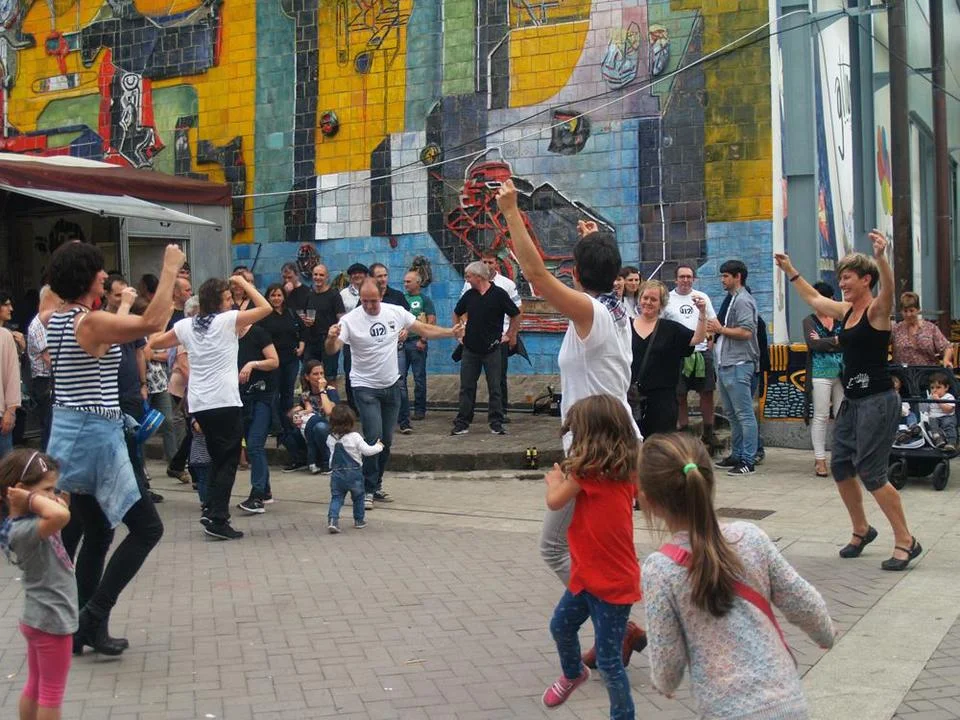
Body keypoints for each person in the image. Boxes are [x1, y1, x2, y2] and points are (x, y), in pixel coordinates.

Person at [497, 181, 645, 668]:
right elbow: (599, 276)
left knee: (554, 547)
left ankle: (620, 627)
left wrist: (512, 211)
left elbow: (538, 278)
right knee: (588, 546)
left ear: (578, 274)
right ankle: (617, 627)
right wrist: (591, 242)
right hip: (613, 443)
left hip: (598, 450)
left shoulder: (591, 313)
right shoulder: (617, 307)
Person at [637, 432, 836, 719]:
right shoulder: (750, 537)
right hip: (787, 703)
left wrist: (664, 682)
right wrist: (825, 633)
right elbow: (801, 600)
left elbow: (668, 661)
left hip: (726, 710)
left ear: (647, 500)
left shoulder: (660, 570)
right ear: (709, 482)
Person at [44, 241, 181, 655]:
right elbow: (153, 321)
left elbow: (104, 346)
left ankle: (84, 628)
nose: (105, 276)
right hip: (94, 439)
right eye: (99, 270)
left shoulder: (58, 318)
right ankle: (91, 617)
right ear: (86, 277)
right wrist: (170, 268)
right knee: (147, 529)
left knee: (100, 530)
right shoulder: (88, 322)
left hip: (72, 435)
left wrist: (121, 306)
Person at [776, 230, 923, 570]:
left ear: (865, 279)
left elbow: (889, 290)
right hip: (853, 401)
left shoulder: (876, 311)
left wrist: (882, 257)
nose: (841, 283)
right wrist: (791, 271)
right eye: (840, 278)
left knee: (872, 472)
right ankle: (861, 529)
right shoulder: (847, 311)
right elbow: (815, 300)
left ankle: (906, 540)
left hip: (878, 400)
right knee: (841, 465)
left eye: (847, 278)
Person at [540, 395, 641, 718]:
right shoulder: (621, 470)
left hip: (613, 587)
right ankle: (573, 673)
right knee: (561, 626)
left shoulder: (587, 473)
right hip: (585, 578)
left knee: (610, 663)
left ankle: (623, 716)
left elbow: (555, 502)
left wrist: (555, 481)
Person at [151, 273, 272, 540]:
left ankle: (211, 508)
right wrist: (244, 284)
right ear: (217, 302)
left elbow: (155, 342)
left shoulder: (186, 325)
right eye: (227, 298)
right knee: (228, 461)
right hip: (224, 401)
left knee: (218, 458)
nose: (231, 302)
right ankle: (218, 519)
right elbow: (266, 308)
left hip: (200, 404)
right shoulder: (226, 320)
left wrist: (165, 313)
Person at [325, 279, 462, 509]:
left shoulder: (395, 312)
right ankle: (367, 490)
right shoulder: (350, 320)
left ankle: (376, 484)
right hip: (364, 387)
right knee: (372, 436)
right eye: (365, 301)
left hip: (391, 385)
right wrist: (331, 337)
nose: (369, 306)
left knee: (386, 441)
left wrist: (451, 332)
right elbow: (333, 348)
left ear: (381, 296)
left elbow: (424, 328)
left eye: (374, 301)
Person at [0, 450, 76, 720]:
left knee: (36, 684)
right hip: (51, 619)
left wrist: (44, 497)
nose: (53, 496)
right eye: (47, 490)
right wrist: (32, 499)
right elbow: (62, 516)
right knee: (51, 693)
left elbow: (61, 508)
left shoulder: (28, 522)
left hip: (38, 617)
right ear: (20, 490)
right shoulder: (24, 530)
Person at [451, 261, 521, 436]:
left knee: (495, 387)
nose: (467, 280)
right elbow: (457, 312)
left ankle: (496, 422)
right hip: (470, 349)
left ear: (479, 277)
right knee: (467, 386)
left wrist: (510, 334)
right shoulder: (469, 295)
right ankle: (462, 422)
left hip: (493, 348)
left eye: (469, 276)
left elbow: (515, 314)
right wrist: (459, 333)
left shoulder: (499, 294)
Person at [630, 280, 706, 437]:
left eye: (653, 299)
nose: (648, 302)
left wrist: (702, 313)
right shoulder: (626, 327)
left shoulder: (671, 329)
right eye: (645, 298)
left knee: (661, 445)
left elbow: (697, 339)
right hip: (633, 398)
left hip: (663, 400)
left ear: (661, 304)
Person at [708, 260, 760, 476]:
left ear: (737, 276)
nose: (722, 280)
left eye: (726, 276)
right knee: (732, 414)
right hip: (726, 364)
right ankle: (737, 454)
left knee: (744, 414)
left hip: (739, 365)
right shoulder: (733, 299)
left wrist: (721, 329)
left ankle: (748, 459)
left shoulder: (743, 301)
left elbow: (747, 332)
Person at [666, 265, 718, 446]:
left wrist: (710, 340)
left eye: (689, 277)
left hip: (701, 352)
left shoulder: (702, 297)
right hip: (677, 355)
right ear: (675, 279)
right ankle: (684, 432)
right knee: (680, 395)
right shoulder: (667, 299)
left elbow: (713, 322)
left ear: (694, 279)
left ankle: (709, 432)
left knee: (707, 393)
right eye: (682, 277)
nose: (686, 280)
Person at [234, 320, 279, 514]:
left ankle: (257, 495)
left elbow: (274, 361)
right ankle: (266, 491)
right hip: (241, 396)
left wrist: (253, 364)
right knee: (252, 445)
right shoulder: (228, 337)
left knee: (254, 444)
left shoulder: (258, 333)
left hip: (262, 395)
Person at [257, 282, 305, 454]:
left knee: (288, 394)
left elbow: (302, 331)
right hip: (273, 361)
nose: (276, 298)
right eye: (273, 295)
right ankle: (278, 427)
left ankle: (288, 424)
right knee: (274, 394)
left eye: (279, 295)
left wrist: (301, 346)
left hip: (291, 359)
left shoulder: (290, 313)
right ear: (268, 297)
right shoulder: (264, 316)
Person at [803, 282, 844, 478]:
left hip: (842, 373)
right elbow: (813, 344)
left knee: (842, 416)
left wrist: (825, 341)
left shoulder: (840, 319)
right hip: (820, 374)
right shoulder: (809, 321)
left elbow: (847, 341)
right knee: (821, 416)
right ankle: (820, 459)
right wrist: (835, 340)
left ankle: (841, 457)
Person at [326, 404, 383, 533]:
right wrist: (379, 446)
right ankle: (359, 520)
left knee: (337, 498)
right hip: (354, 473)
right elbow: (367, 451)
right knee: (358, 497)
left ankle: (333, 520)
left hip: (337, 473)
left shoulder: (330, 438)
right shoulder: (355, 437)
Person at [282, 360, 339, 473]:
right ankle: (300, 459)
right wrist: (295, 415)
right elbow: (305, 409)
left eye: (322, 373)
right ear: (307, 377)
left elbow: (329, 411)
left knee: (319, 427)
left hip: (328, 428)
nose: (319, 377)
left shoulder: (330, 391)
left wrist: (322, 390)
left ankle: (327, 461)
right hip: (309, 429)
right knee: (285, 428)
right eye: (315, 374)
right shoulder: (306, 393)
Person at [397, 270, 435, 429]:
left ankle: (420, 409)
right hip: (401, 344)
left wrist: (423, 339)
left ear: (418, 283)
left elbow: (431, 320)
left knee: (419, 377)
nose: (405, 284)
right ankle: (402, 410)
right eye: (405, 281)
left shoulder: (425, 300)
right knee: (400, 378)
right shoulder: (401, 299)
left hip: (416, 342)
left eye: (408, 281)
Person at [27, 287, 59, 451]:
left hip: (52, 379)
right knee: (50, 425)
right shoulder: (39, 324)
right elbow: (49, 359)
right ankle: (48, 459)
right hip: (45, 381)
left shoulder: (52, 321)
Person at [891, 291, 955, 368]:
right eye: (905, 311)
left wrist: (946, 360)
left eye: (911, 310)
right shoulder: (895, 329)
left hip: (928, 372)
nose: (908, 314)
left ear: (918, 309)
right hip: (902, 372)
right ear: (901, 311)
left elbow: (947, 347)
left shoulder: (931, 328)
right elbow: (881, 345)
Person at [303, 263, 345, 376]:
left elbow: (342, 319)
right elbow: (305, 315)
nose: (318, 277)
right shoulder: (309, 295)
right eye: (315, 274)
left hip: (328, 340)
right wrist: (306, 321)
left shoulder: (334, 295)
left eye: (321, 275)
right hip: (312, 340)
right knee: (307, 374)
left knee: (329, 375)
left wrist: (336, 336)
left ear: (327, 277)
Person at [339, 263, 369, 411]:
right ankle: (354, 406)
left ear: (365, 275)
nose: (357, 276)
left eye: (360, 273)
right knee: (350, 372)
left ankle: (366, 403)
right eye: (354, 273)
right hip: (350, 340)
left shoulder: (370, 292)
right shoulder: (343, 294)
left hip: (368, 340)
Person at [0, 292, 22, 459]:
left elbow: (13, 375)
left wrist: (11, 410)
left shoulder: (6, 336)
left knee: (6, 467)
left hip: (1, 414)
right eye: (6, 304)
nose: (11, 308)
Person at [921, 371, 957, 452]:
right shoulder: (930, 397)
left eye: (938, 387)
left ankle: (951, 442)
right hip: (934, 417)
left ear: (946, 388)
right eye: (932, 388)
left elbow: (948, 410)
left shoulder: (948, 397)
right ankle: (939, 440)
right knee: (932, 425)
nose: (934, 390)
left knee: (948, 425)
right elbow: (925, 408)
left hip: (947, 416)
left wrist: (938, 400)